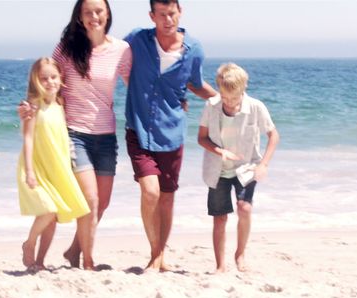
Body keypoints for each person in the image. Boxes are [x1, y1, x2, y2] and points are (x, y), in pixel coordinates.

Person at [19, 0, 132, 271]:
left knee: (101, 204)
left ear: (107, 14)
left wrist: (172, 101)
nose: (94, 16)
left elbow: (135, 87)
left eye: (99, 11)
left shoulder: (122, 50)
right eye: (88, 12)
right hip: (74, 134)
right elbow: (47, 80)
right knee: (89, 200)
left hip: (106, 135)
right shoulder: (66, 49)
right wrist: (29, 107)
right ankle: (88, 263)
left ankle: (73, 251)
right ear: (79, 17)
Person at [124, 0, 216, 271]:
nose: (167, 20)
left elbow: (195, 84)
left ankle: (160, 254)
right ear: (152, 16)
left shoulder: (194, 49)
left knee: (166, 196)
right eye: (161, 15)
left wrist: (226, 99)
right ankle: (155, 254)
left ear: (180, 13)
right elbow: (112, 60)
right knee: (150, 192)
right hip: (138, 129)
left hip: (172, 132)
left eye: (172, 14)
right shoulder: (137, 40)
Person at [197, 63, 279, 273]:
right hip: (218, 169)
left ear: (243, 90)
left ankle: (240, 254)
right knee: (220, 217)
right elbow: (202, 138)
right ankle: (220, 265)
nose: (229, 103)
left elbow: (273, 136)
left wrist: (263, 165)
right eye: (225, 97)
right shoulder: (211, 105)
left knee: (245, 208)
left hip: (246, 166)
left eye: (234, 98)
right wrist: (219, 151)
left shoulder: (256, 107)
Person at [16, 58, 91, 272]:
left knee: (53, 218)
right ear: (36, 81)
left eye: (54, 77)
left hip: (57, 166)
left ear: (61, 78)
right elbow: (28, 139)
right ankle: (29, 243)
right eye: (44, 78)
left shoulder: (60, 103)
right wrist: (30, 171)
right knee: (48, 210)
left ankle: (40, 262)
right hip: (37, 167)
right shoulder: (33, 106)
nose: (49, 82)